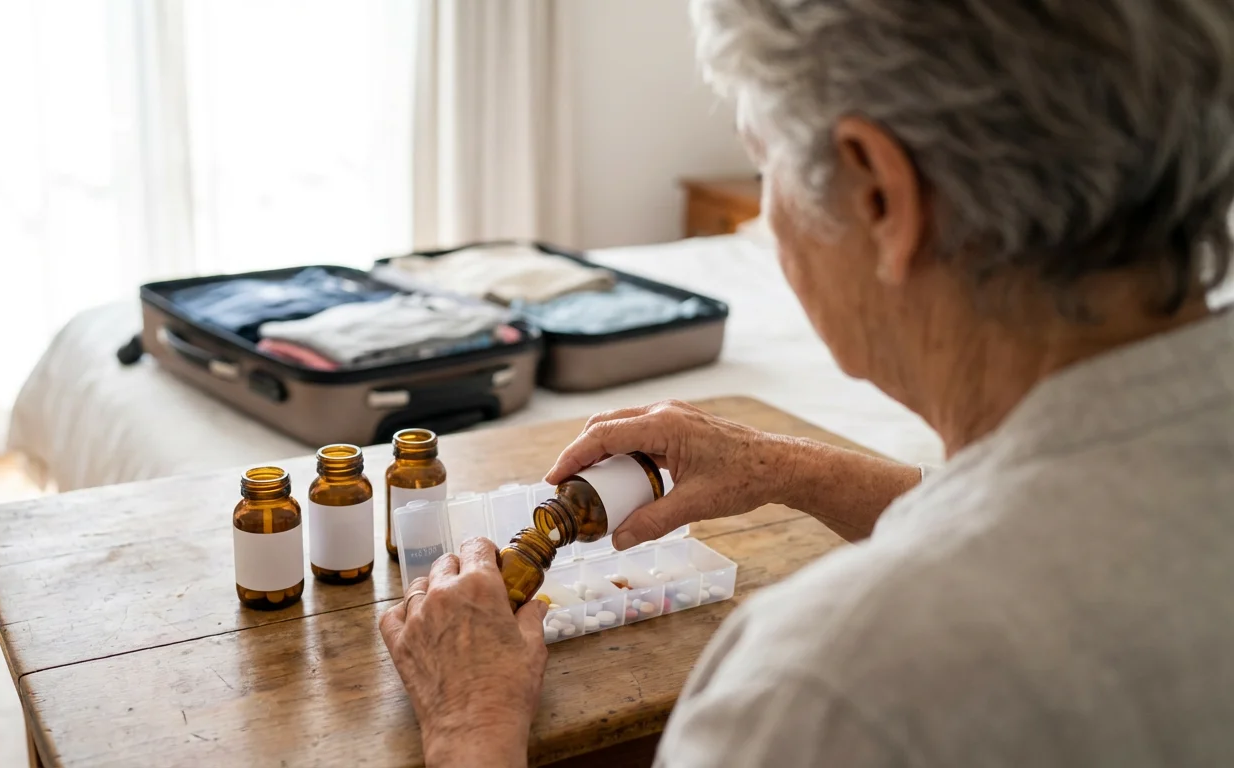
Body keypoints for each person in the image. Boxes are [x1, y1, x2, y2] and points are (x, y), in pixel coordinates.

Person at [378, 0, 1234, 764]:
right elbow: (1057, 523)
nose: (769, 212)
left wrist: (472, 727)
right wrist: (788, 467)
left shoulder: (820, 693)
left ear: (879, 196)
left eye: (765, 169)